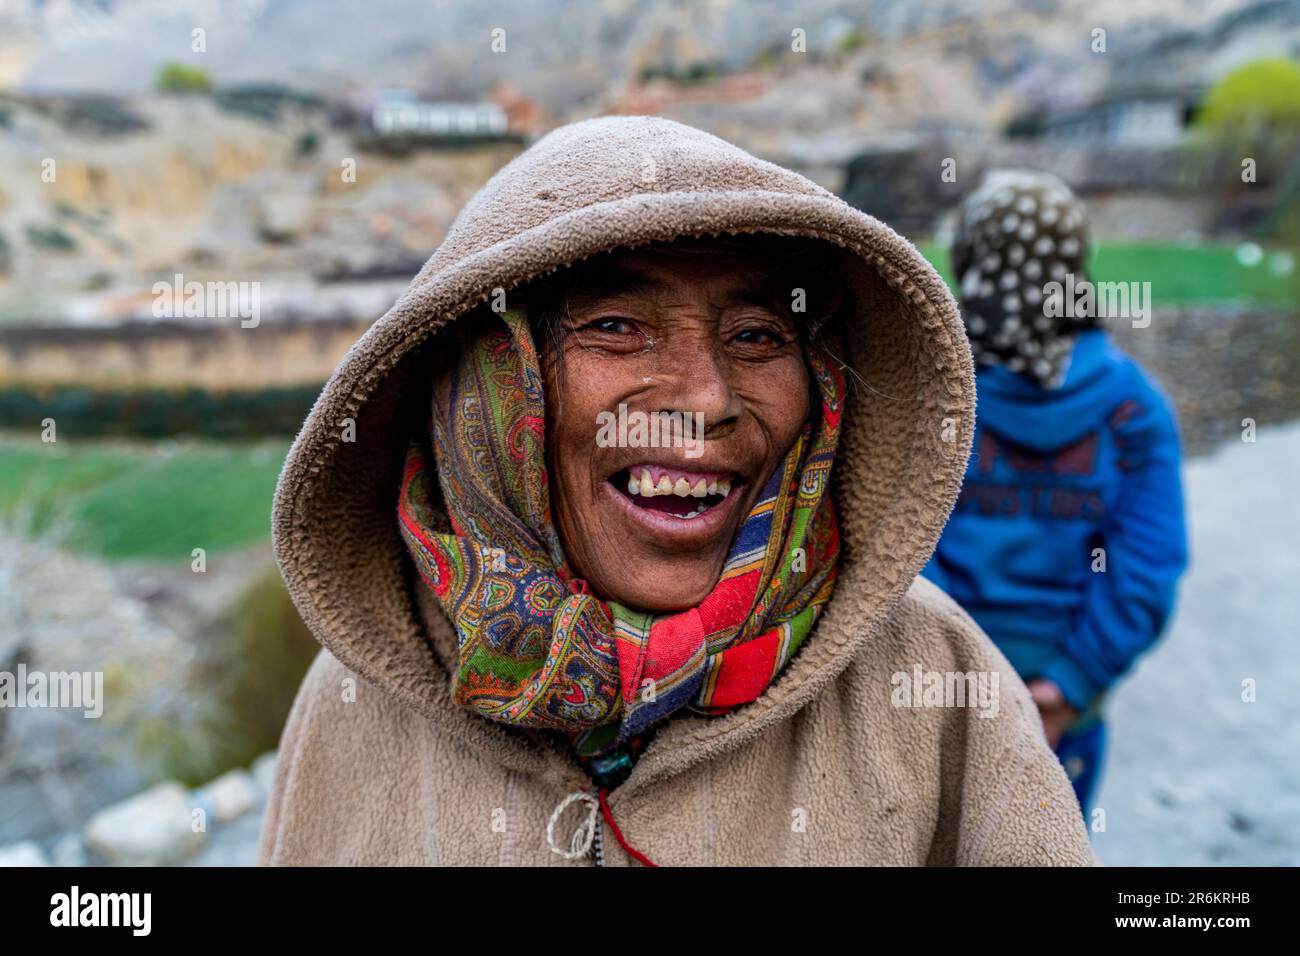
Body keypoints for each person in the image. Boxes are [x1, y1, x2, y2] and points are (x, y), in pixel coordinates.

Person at [257, 117, 1095, 866]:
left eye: (757, 335)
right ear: (490, 385)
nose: (707, 400)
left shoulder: (934, 680)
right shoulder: (361, 695)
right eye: (617, 327)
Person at [922, 170, 1189, 821]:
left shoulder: (933, 393)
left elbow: (901, 542)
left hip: (933, 693)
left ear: (970, 261)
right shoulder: (1135, 408)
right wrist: (1070, 686)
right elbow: (1146, 567)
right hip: (1062, 706)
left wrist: (949, 681)